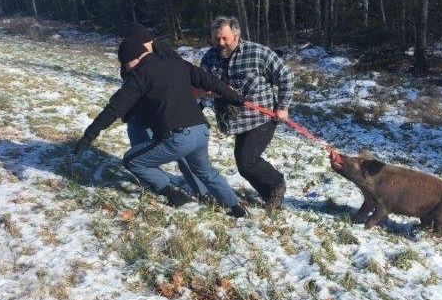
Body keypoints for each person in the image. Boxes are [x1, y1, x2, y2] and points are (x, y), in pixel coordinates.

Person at [74, 35, 250, 218]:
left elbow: (114, 108)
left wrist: (89, 136)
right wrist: (235, 97)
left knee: (132, 160)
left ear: (132, 58)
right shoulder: (177, 63)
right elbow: (211, 81)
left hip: (179, 137)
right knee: (206, 171)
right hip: (201, 131)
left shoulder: (139, 75)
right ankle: (236, 208)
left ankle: (172, 194)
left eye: (125, 63)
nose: (125, 68)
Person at [199, 16, 294, 211]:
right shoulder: (209, 58)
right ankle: (269, 194)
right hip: (235, 121)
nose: (221, 43)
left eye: (225, 38)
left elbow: (285, 75)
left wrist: (282, 107)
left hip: (261, 117)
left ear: (236, 34)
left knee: (247, 160)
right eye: (217, 39)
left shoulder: (258, 53)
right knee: (243, 164)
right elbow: (201, 86)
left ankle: (276, 184)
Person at [117, 23, 210, 202]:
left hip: (166, 113)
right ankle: (158, 186)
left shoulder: (166, 54)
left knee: (182, 152)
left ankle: (202, 191)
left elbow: (185, 78)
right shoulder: (129, 54)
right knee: (140, 147)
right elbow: (127, 83)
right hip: (138, 112)